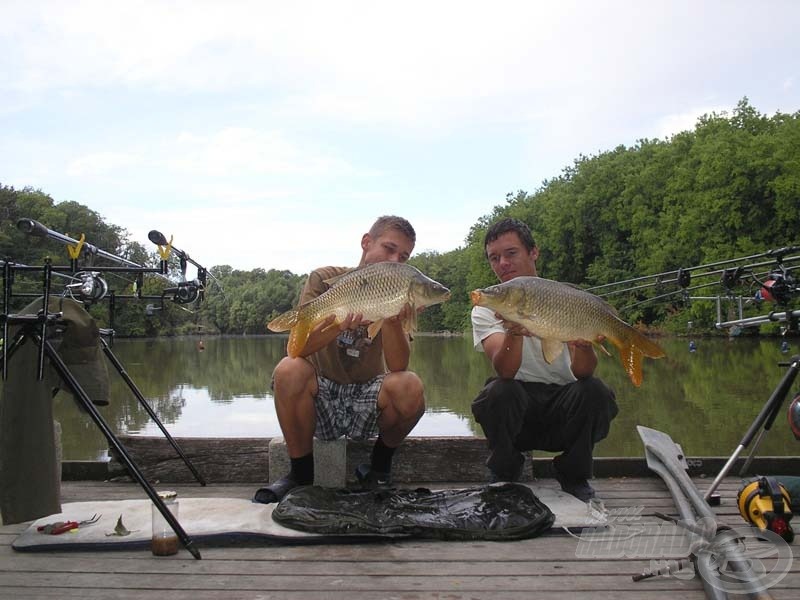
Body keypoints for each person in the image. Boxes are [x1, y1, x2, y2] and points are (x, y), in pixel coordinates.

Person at [254, 215, 426, 503]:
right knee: (288, 370)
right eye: (389, 248)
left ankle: (378, 470)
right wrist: (338, 324)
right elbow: (296, 350)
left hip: (367, 395)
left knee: (410, 386)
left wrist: (393, 321)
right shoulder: (324, 279)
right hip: (322, 395)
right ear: (366, 242)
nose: (395, 260)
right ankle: (300, 474)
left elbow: (398, 367)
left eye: (404, 256)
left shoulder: (400, 291)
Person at [470, 217, 618, 502]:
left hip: (563, 411)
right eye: (494, 258)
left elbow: (583, 372)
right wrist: (514, 332)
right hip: (518, 412)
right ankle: (505, 470)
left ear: (533, 252)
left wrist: (584, 346)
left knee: (596, 391)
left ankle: (573, 474)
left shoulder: (564, 298)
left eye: (511, 253)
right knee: (498, 391)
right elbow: (504, 370)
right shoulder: (490, 305)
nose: (502, 264)